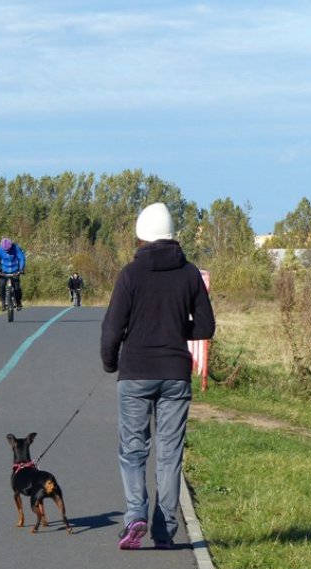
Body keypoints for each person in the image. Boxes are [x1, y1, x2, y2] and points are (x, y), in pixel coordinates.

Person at [100, 202, 215, 550]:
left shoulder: (130, 275)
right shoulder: (190, 273)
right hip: (175, 374)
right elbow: (206, 326)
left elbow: (112, 329)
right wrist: (177, 327)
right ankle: (164, 531)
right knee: (169, 454)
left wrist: (110, 362)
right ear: (172, 235)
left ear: (141, 236)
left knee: (133, 450)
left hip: (135, 373)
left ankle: (135, 515)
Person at [0, 237, 26, 311]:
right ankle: (3, 302)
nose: (7, 251)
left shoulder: (16, 248)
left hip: (15, 270)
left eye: (8, 250)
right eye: (5, 250)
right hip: (4, 271)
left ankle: (18, 302)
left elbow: (21, 258)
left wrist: (21, 269)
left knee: (17, 288)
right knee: (1, 286)